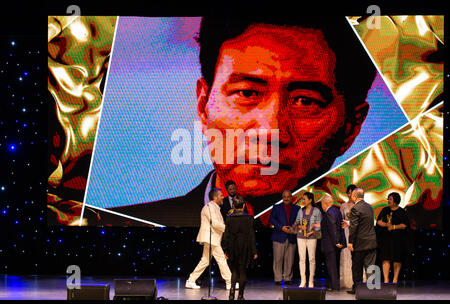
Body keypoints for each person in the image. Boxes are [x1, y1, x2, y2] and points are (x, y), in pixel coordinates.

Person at [88, 15, 376, 227]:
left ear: (351, 127)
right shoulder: (120, 225)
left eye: (305, 101)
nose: (269, 130)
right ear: (203, 106)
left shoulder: (366, 234)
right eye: (247, 93)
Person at [185, 188, 232, 290]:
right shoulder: (209, 207)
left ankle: (191, 280)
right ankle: (230, 282)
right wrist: (228, 229)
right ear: (215, 197)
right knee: (221, 260)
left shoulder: (215, 207)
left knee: (205, 261)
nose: (223, 197)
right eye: (221, 195)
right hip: (211, 238)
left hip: (213, 238)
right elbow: (214, 223)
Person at [222, 196, 258, 300]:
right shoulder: (249, 218)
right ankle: (241, 295)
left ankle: (232, 293)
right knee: (242, 271)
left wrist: (225, 250)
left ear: (234, 206)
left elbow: (226, 235)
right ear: (243, 206)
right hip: (244, 247)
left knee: (234, 271)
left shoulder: (229, 218)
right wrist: (254, 251)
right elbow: (251, 236)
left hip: (232, 247)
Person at [347, 188, 377, 294]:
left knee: (357, 267)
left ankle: (357, 289)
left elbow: (354, 227)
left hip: (360, 243)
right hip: (371, 242)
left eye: (351, 195)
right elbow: (365, 223)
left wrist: (350, 242)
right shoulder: (369, 207)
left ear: (354, 196)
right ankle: (373, 290)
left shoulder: (355, 208)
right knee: (371, 267)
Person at [376, 192, 410, 283]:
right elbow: (379, 221)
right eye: (388, 199)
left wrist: (394, 227)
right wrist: (386, 224)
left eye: (390, 199)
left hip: (398, 239)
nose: (388, 201)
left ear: (395, 201)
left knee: (397, 258)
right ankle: (386, 279)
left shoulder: (402, 211)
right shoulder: (385, 210)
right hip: (386, 239)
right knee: (385, 258)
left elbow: (404, 225)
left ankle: (395, 279)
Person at [269, 190, 299, 285]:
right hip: (279, 236)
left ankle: (287, 278)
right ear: (282, 198)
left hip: (291, 236)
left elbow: (299, 221)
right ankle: (277, 279)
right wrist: (281, 227)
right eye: (284, 197)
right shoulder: (277, 207)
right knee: (277, 259)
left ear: (291, 197)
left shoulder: (297, 208)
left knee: (289, 260)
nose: (286, 198)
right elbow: (271, 219)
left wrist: (292, 228)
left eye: (288, 196)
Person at [294, 192, 322, 288]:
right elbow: (296, 223)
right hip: (301, 237)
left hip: (312, 237)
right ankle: (303, 280)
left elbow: (319, 225)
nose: (303, 201)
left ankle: (311, 281)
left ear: (310, 200)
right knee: (302, 259)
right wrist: (300, 226)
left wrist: (312, 232)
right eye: (303, 199)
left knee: (311, 259)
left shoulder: (317, 211)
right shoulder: (300, 211)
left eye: (305, 199)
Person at [320, 195, 346, 291]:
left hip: (330, 244)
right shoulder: (337, 211)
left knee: (331, 266)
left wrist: (336, 242)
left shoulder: (329, 213)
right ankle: (333, 285)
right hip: (335, 244)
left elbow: (332, 229)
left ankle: (334, 286)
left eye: (322, 204)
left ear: (325, 204)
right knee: (334, 265)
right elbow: (339, 227)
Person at [339, 184, 357, 289]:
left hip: (357, 232)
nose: (350, 195)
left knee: (356, 257)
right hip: (346, 233)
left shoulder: (359, 205)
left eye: (352, 192)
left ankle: (357, 281)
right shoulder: (343, 206)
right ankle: (346, 281)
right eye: (348, 192)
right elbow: (340, 220)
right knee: (346, 256)